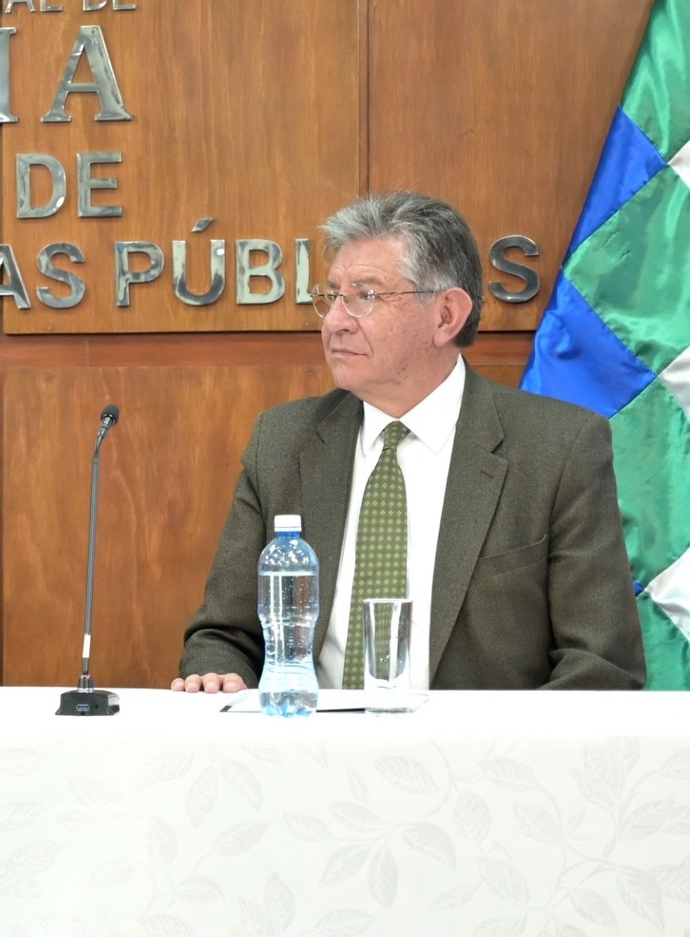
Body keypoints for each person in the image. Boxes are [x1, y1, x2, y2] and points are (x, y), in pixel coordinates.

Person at [174, 193, 644, 693]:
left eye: (366, 295)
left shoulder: (558, 449)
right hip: (308, 757)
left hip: (480, 763)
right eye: (332, 295)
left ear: (446, 315)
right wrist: (218, 675)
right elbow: (225, 634)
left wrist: (502, 760)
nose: (335, 321)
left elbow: (600, 667)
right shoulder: (282, 442)